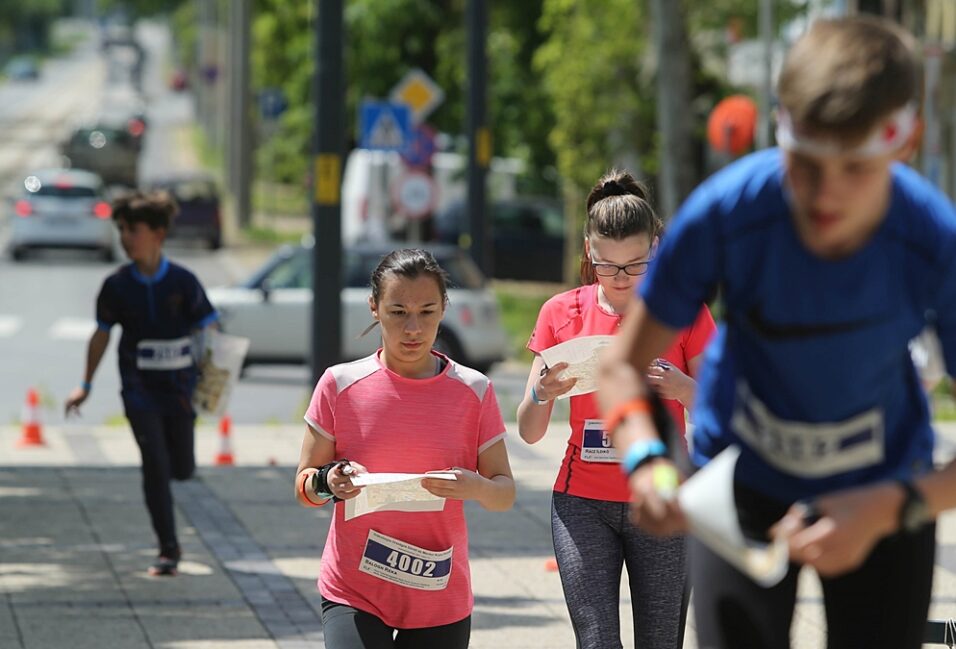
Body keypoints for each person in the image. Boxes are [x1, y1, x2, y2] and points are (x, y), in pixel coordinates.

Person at [598, 15, 956, 649]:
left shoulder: (932, 238)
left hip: (883, 488)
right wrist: (649, 466)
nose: (825, 194)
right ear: (778, 130)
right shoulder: (729, 211)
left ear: (905, 143)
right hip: (739, 481)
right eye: (805, 163)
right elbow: (623, 367)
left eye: (855, 167)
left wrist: (892, 507)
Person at [517, 170, 715, 649]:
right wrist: (543, 393)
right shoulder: (560, 313)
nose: (621, 279)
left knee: (660, 641)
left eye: (635, 265)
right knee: (597, 642)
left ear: (656, 248)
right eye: (607, 266)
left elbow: (719, 408)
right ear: (589, 249)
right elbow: (528, 430)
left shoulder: (684, 312)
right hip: (581, 502)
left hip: (663, 495)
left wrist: (680, 386)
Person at [295, 248, 515, 649]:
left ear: (444, 309)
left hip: (438, 591)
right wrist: (330, 482)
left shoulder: (474, 390)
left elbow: (504, 493)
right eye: (398, 312)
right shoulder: (338, 384)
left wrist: (474, 486)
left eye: (427, 311)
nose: (413, 328)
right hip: (354, 587)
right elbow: (305, 487)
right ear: (374, 307)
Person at [64, 190, 219, 577]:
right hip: (139, 391)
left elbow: (211, 328)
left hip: (180, 391)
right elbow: (100, 335)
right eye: (121, 230)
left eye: (133, 230)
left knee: (182, 468)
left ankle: (174, 482)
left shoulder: (184, 282)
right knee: (154, 465)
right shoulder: (116, 286)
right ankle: (168, 549)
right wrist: (85, 383)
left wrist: (215, 380)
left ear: (158, 232)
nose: (125, 238)